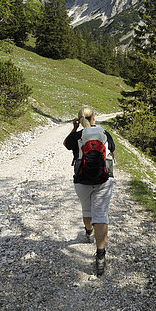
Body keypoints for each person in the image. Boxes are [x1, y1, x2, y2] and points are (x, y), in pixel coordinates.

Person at [63, 105, 115, 276]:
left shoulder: (77, 136)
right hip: (103, 179)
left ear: (79, 119)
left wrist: (75, 127)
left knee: (87, 210)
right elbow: (112, 154)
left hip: (81, 179)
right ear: (94, 118)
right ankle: (100, 256)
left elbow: (66, 144)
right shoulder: (104, 134)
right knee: (101, 215)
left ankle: (88, 232)